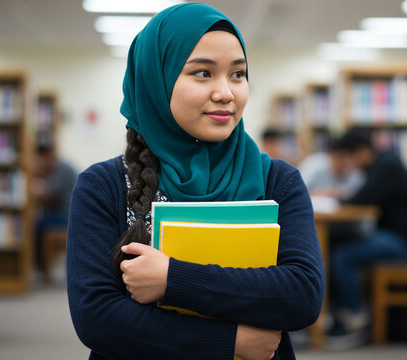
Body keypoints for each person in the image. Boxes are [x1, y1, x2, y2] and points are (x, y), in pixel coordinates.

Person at [66, 4, 324, 360]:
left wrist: (173, 279)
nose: (226, 93)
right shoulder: (103, 185)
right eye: (203, 73)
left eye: (237, 74)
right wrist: (230, 342)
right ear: (157, 80)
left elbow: (302, 296)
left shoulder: (278, 180)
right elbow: (97, 317)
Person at [330, 130, 407, 338]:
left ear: (362, 152)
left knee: (342, 255)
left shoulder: (386, 166)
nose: (351, 165)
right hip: (398, 236)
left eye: (351, 158)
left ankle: (353, 321)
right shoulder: (383, 163)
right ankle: (341, 315)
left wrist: (337, 199)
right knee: (338, 246)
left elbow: (362, 199)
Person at [33, 142, 77, 273]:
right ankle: (39, 266)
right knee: (40, 222)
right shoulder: (60, 167)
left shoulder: (62, 169)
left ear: (47, 156)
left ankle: (41, 267)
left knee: (38, 225)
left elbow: (50, 195)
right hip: (64, 212)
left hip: (66, 215)